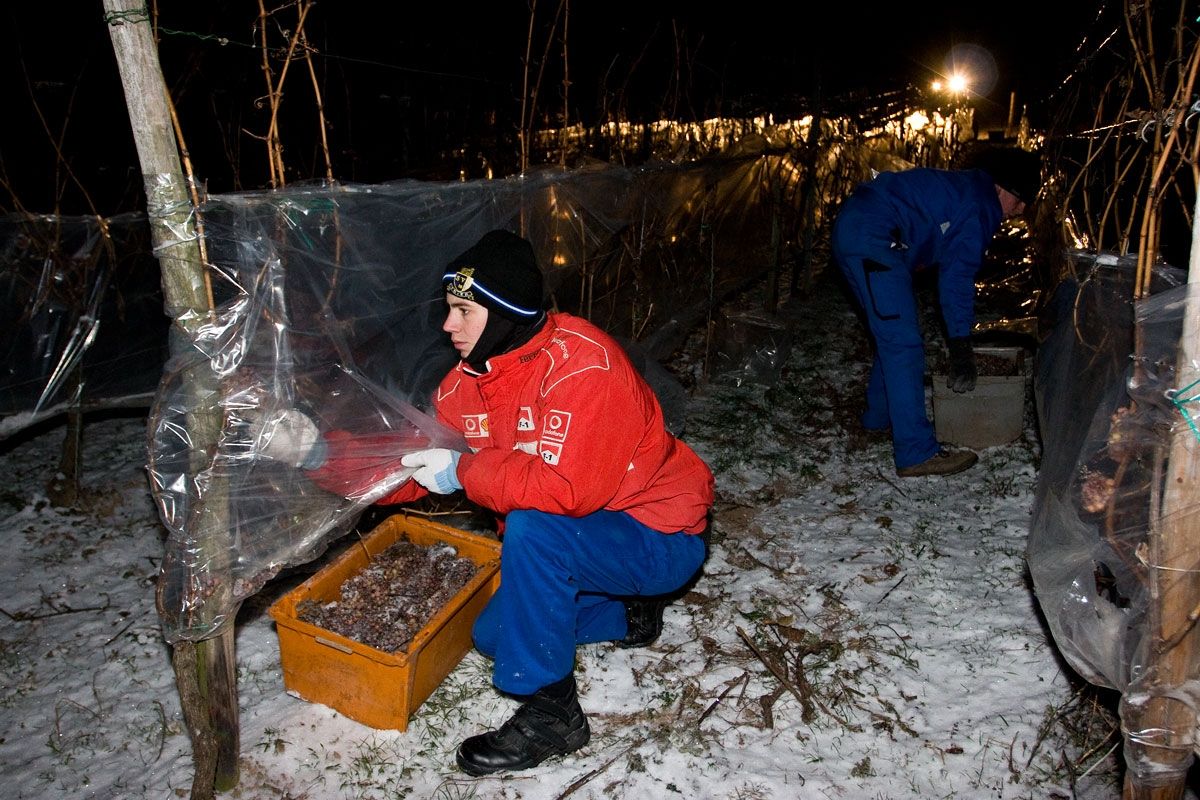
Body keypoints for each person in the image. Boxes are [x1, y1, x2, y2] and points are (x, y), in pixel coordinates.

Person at [253, 229, 714, 775]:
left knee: (533, 529)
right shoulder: (465, 386)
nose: (448, 325)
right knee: (494, 636)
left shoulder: (585, 368)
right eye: (449, 309)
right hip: (592, 541)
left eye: (463, 311)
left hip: (658, 534)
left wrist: (464, 470)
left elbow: (568, 490)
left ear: (504, 313)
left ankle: (553, 714)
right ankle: (629, 613)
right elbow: (411, 468)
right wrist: (318, 453)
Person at [830, 147, 1041, 477]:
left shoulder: (970, 190)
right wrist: (960, 344)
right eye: (1020, 199)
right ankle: (915, 452)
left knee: (893, 334)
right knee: (903, 343)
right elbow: (957, 279)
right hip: (874, 237)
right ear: (1002, 187)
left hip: (860, 228)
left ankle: (878, 418)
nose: (1022, 209)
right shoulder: (981, 207)